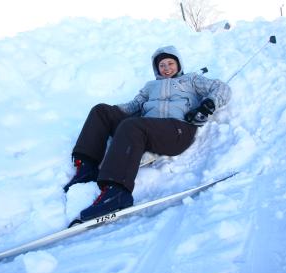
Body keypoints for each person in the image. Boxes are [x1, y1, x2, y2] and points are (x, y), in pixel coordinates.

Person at [64, 45, 231, 221]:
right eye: (162, 65)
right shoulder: (150, 86)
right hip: (149, 129)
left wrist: (208, 105)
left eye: (170, 63)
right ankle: (86, 169)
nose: (166, 68)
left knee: (132, 126)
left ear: (179, 63)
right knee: (101, 111)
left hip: (177, 130)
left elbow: (222, 88)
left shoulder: (191, 80)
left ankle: (117, 193)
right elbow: (133, 106)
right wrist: (112, 112)